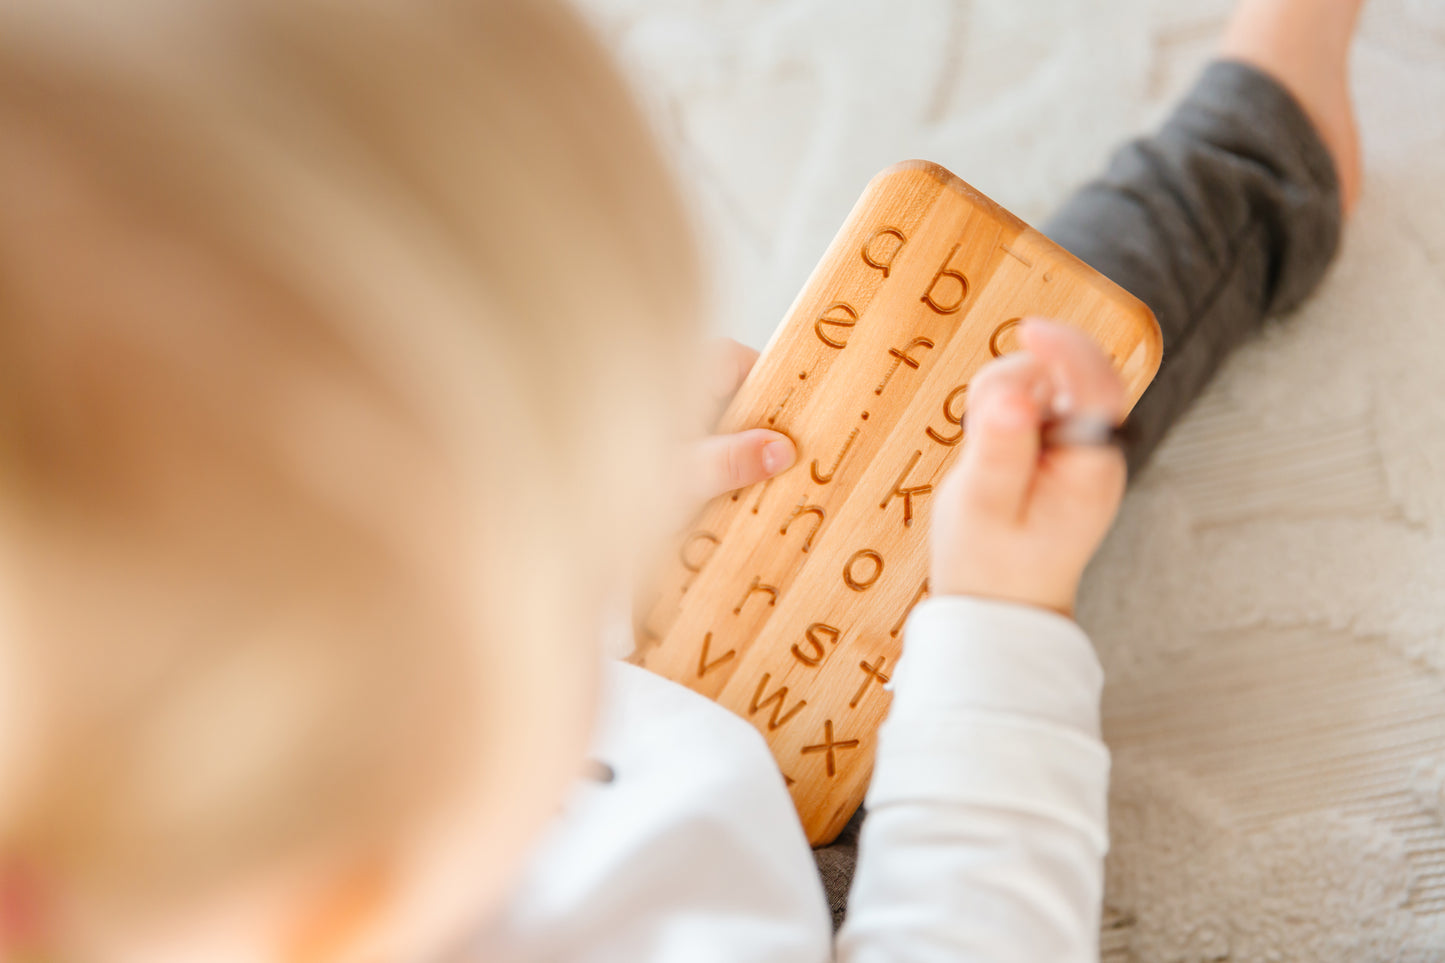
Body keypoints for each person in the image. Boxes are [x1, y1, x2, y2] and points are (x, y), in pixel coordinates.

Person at [0, 0, 1359, 961]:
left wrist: (582, 568)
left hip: (649, 745)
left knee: (924, 395)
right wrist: (1000, 626)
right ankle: (1262, 155)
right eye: (547, 516)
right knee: (1024, 407)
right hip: (787, 861)